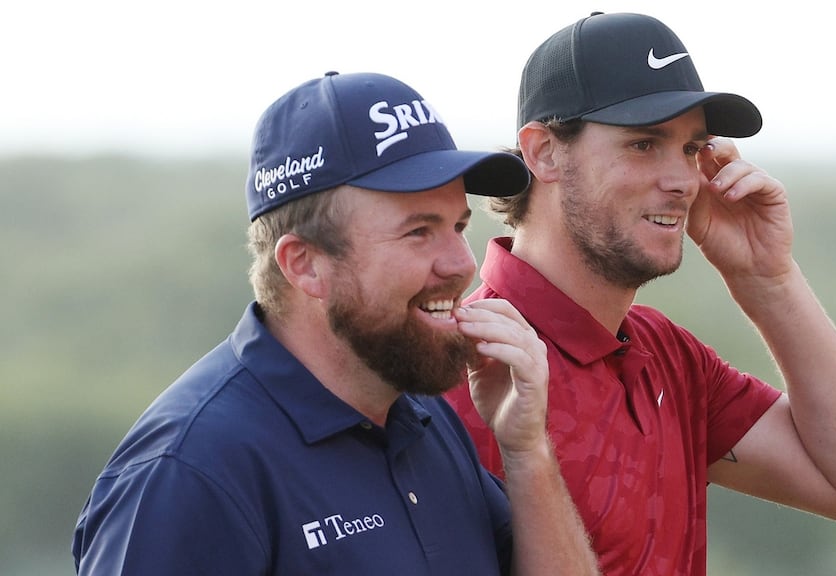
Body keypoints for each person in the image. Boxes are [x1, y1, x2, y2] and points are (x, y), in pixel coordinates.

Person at [72, 71, 601, 576]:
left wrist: (527, 450)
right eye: (419, 231)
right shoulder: (189, 472)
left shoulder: (423, 420)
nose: (462, 263)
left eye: (458, 225)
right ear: (305, 264)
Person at [444, 11, 836, 576]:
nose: (683, 181)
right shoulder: (463, 373)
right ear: (543, 152)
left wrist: (767, 278)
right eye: (644, 145)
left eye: (692, 149)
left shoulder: (669, 357)